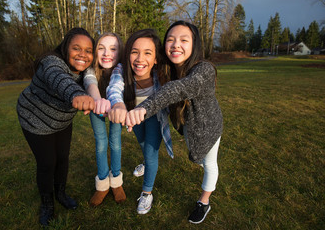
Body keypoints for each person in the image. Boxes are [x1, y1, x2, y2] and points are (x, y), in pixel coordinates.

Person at [125, 21, 223, 224]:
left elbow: (179, 88)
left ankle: (203, 202)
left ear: (194, 44)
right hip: (188, 126)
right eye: (171, 40)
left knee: (208, 164)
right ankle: (146, 163)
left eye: (183, 40)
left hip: (209, 127)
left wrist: (145, 107)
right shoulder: (168, 69)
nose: (176, 44)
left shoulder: (204, 69)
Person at [17, 27, 95, 226]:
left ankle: (60, 193)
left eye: (88, 50)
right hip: (34, 117)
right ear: (65, 48)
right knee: (47, 163)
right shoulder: (52, 62)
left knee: (62, 158)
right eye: (76, 48)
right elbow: (59, 79)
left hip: (61, 121)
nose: (83, 55)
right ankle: (47, 204)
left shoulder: (88, 71)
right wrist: (76, 95)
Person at [107, 29, 173, 215]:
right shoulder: (121, 70)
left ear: (156, 59)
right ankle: (145, 162)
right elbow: (114, 87)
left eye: (147, 53)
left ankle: (147, 192)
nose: (139, 58)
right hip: (133, 118)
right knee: (143, 144)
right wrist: (118, 104)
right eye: (135, 52)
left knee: (152, 154)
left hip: (155, 117)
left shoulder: (161, 75)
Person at [83, 32, 126, 206]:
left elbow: (119, 85)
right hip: (96, 108)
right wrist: (97, 100)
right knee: (101, 143)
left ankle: (116, 181)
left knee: (115, 142)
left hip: (117, 108)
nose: (107, 53)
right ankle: (102, 185)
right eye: (101, 48)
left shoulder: (121, 69)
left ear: (120, 52)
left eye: (113, 49)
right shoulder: (91, 69)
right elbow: (89, 81)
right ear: (95, 51)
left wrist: (116, 105)